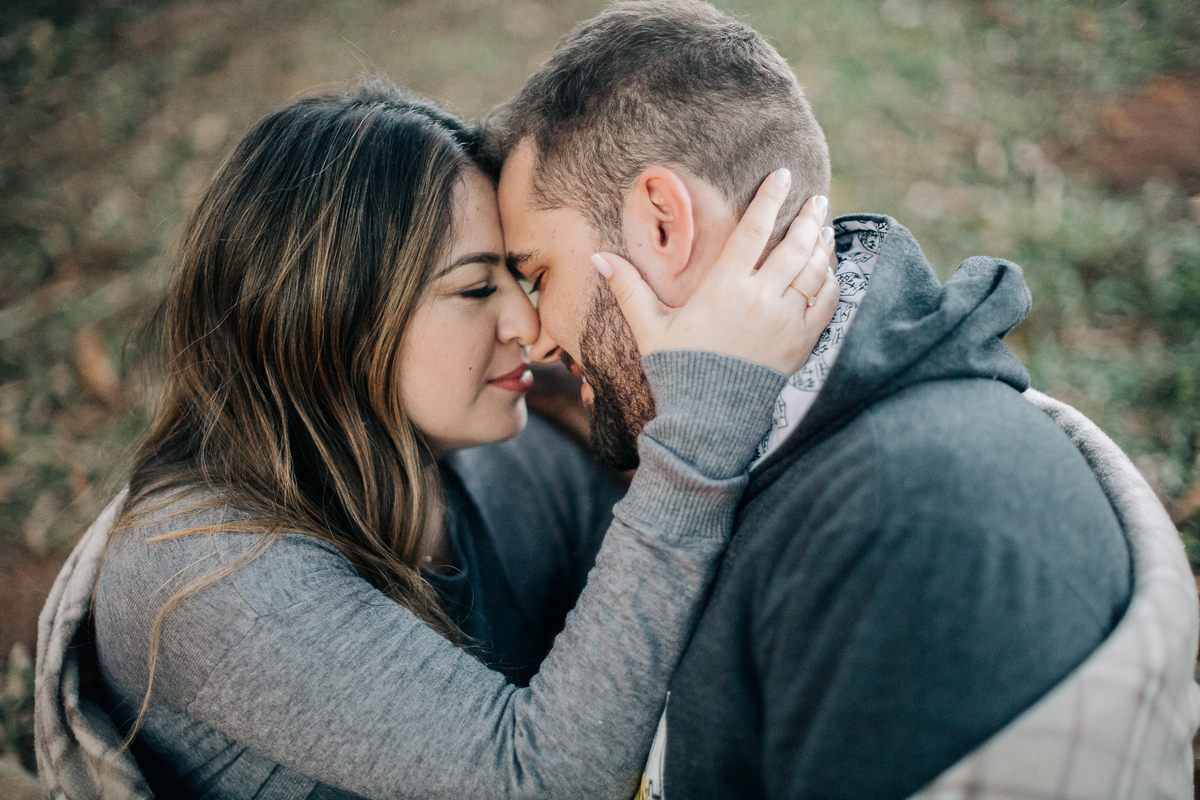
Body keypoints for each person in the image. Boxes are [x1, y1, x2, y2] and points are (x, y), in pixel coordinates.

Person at [34, 79, 841, 799]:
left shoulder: (488, 470)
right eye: (477, 288)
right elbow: (542, 779)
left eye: (520, 280)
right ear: (333, 316)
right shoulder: (207, 580)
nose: (527, 325)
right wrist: (707, 413)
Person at [487, 2, 1199, 798]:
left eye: (540, 274)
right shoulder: (804, 469)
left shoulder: (915, 531)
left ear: (662, 224)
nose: (537, 340)